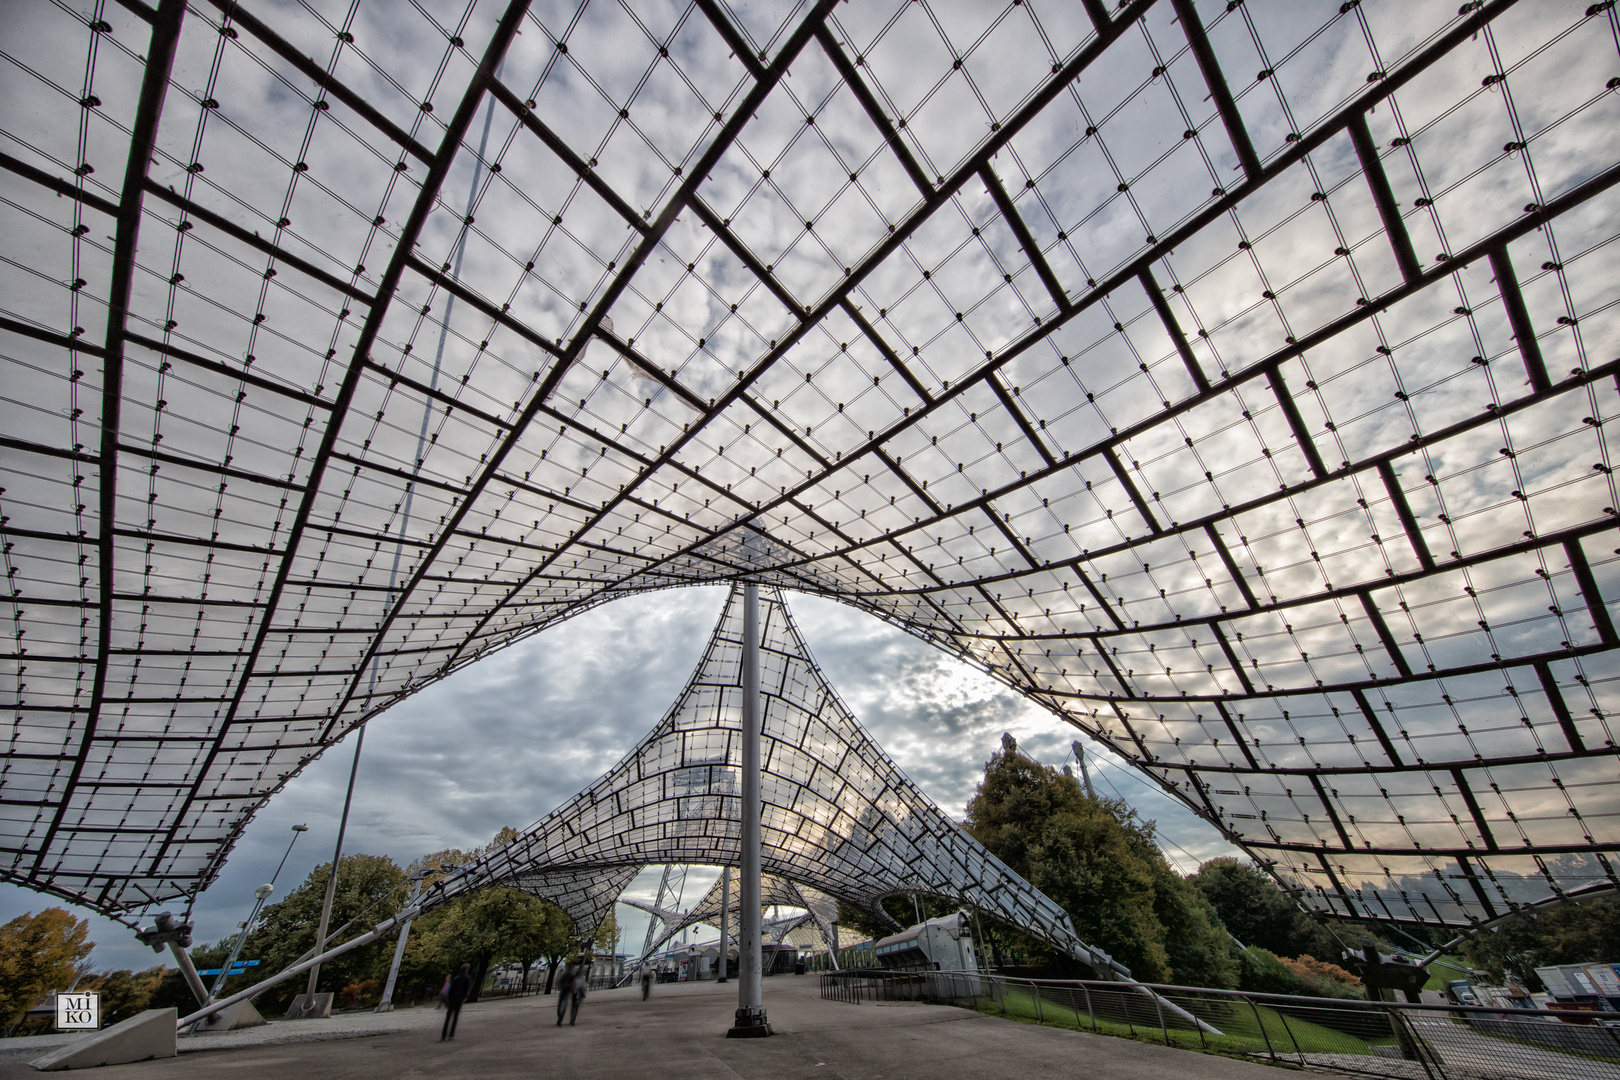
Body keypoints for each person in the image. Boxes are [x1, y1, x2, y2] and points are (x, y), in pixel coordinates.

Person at [441, 963, 472, 1041]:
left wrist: (449, 997)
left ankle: (444, 1034)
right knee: (455, 1017)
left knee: (448, 1017)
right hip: (459, 998)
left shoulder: (456, 978)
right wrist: (464, 998)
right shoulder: (467, 978)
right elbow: (467, 989)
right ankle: (451, 1034)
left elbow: (451, 989)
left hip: (452, 998)